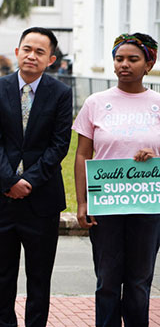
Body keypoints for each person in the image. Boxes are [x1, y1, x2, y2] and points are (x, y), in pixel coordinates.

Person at [0, 27, 72, 327]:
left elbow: (59, 144)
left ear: (52, 59)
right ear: (17, 51)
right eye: (27, 49)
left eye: (40, 52)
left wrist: (29, 181)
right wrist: (9, 181)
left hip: (41, 201)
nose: (32, 56)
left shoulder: (61, 93)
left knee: (39, 278)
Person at [73, 33, 160, 327]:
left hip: (147, 206)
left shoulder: (158, 104)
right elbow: (83, 154)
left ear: (149, 63)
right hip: (106, 205)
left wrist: (155, 154)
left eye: (133, 59)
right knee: (107, 281)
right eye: (119, 58)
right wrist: (82, 201)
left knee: (138, 282)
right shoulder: (96, 103)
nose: (124, 65)